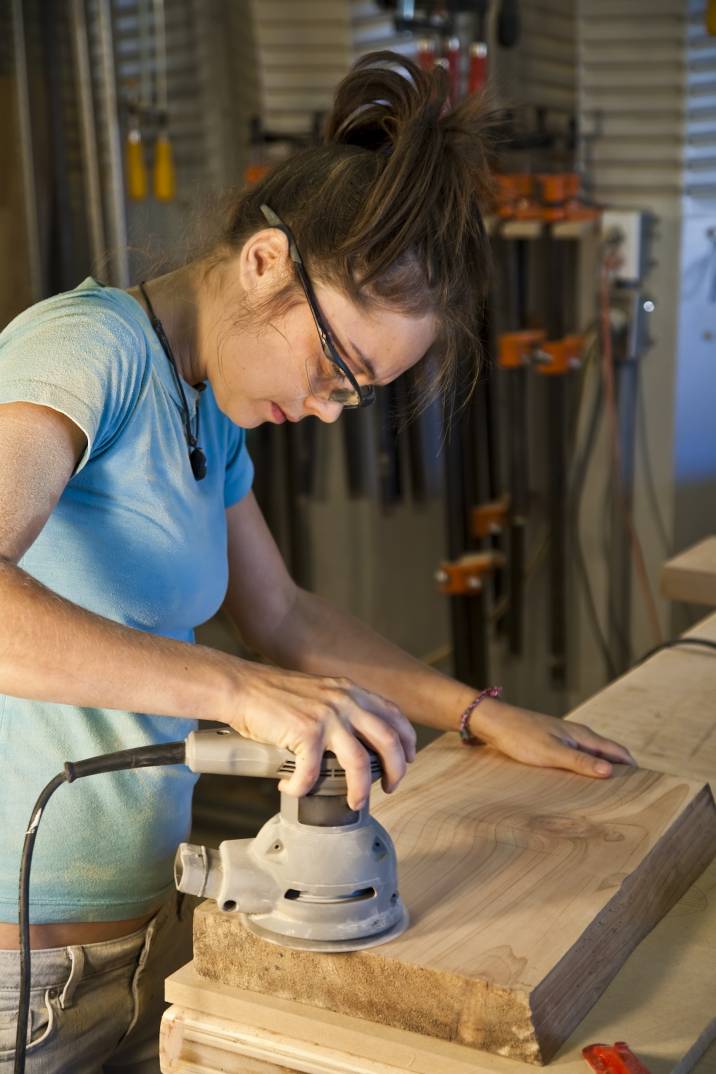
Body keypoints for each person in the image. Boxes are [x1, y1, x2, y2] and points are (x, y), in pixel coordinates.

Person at [0, 51, 634, 1072]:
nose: (334, 407)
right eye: (339, 367)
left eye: (360, 390)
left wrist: (474, 711)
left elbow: (285, 615)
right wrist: (242, 692)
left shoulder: (201, 397)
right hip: (24, 981)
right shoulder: (84, 352)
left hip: (141, 940)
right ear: (262, 263)